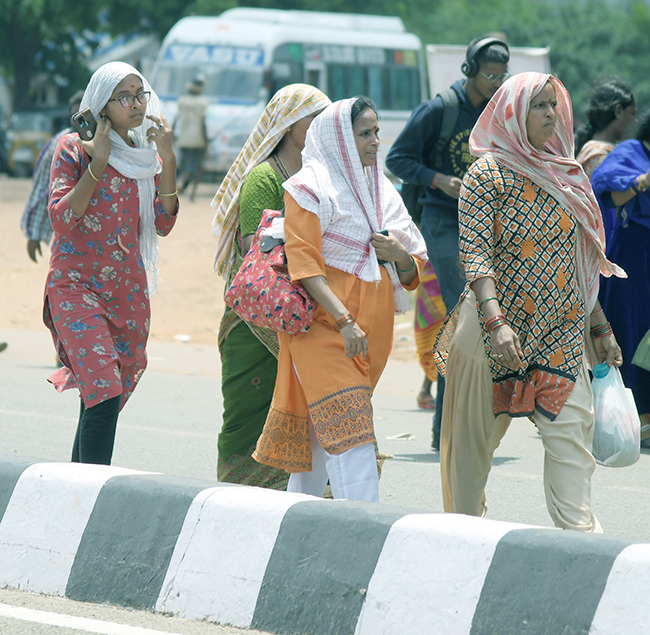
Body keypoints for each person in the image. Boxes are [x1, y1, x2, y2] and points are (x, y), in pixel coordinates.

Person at [433, 72, 625, 532]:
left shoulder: (567, 176)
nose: (550, 114)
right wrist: (497, 323)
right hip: (491, 333)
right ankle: (462, 543)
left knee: (572, 453)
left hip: (559, 334)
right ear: (515, 112)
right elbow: (474, 253)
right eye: (538, 105)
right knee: (469, 460)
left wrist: (599, 328)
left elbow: (580, 261)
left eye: (554, 105)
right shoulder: (487, 174)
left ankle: (585, 554)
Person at [252, 96, 427, 502]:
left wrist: (398, 254)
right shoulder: (308, 187)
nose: (375, 141)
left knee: (320, 437)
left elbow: (412, 265)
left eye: (376, 132)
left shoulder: (381, 188)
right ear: (339, 139)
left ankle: (296, 525)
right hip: (325, 327)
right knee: (353, 435)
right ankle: (363, 530)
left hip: (371, 334)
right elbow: (304, 263)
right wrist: (345, 320)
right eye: (364, 133)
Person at [44, 61, 179, 465]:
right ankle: (91, 492)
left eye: (140, 94)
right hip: (76, 289)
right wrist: (97, 165)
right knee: (103, 388)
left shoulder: (144, 157)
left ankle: (74, 491)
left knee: (102, 393)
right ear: (102, 105)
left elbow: (164, 222)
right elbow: (62, 219)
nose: (136, 104)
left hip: (125, 292)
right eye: (124, 97)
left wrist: (167, 161)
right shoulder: (72, 149)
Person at [386, 36, 510, 450]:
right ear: (469, 71)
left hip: (487, 221)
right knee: (465, 312)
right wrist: (439, 179)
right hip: (441, 220)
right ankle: (447, 429)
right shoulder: (441, 108)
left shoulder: (498, 113)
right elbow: (397, 159)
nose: (495, 83)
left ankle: (464, 423)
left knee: (474, 319)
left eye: (501, 76)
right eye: (489, 75)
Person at [212, 83, 331, 489]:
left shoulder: (325, 177)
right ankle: (238, 495)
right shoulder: (264, 177)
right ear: (289, 125)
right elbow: (255, 249)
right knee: (248, 415)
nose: (321, 127)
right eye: (313, 119)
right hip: (258, 315)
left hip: (312, 307)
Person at [591, 110, 650, 443]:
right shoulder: (631, 151)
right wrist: (643, 181)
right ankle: (634, 417)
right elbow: (610, 195)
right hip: (637, 251)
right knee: (633, 329)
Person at [21, 91, 84, 263]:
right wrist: (35, 234)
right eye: (73, 115)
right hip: (68, 231)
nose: (76, 120)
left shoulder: (108, 142)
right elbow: (43, 189)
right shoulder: (60, 145)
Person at [575, 78, 636, 242]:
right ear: (618, 111)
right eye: (632, 114)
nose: (634, 121)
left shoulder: (604, 151)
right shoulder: (599, 157)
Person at [414, 261, 445, 410]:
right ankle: (427, 391)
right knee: (437, 343)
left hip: (449, 284)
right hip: (430, 284)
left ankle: (428, 391)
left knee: (445, 343)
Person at [175, 76, 208, 201]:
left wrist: (172, 136)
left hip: (184, 138)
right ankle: (193, 193)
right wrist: (206, 142)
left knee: (185, 167)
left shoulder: (182, 101)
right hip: (198, 138)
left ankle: (181, 182)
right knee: (198, 167)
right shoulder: (203, 102)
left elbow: (175, 120)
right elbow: (203, 123)